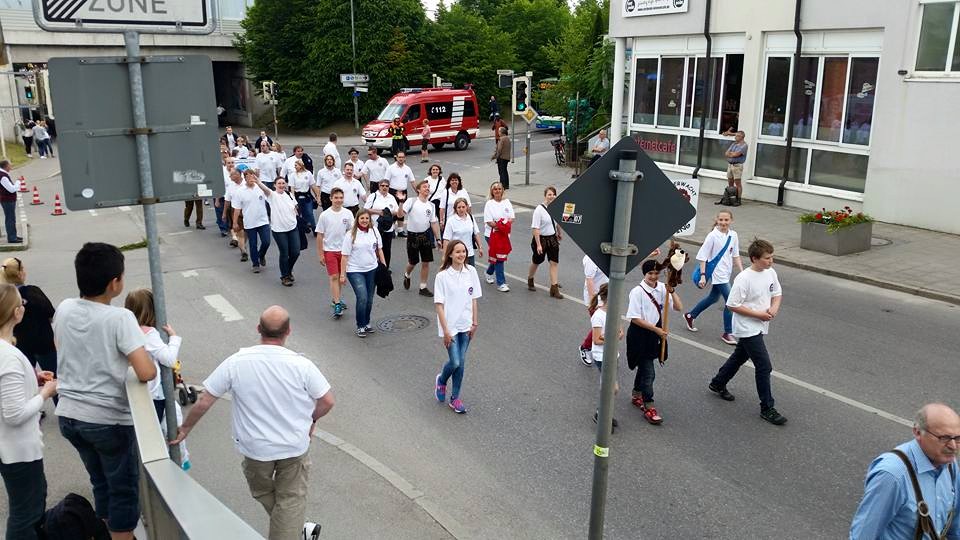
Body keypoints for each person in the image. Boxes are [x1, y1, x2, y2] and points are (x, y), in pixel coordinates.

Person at [171, 306, 334, 540]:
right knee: (289, 501)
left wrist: (185, 429)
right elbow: (327, 400)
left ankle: (295, 528)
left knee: (262, 491)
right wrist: (312, 419)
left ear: (259, 329)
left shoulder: (236, 362)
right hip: (294, 446)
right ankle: (294, 527)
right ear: (289, 331)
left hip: (255, 449)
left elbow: (204, 402)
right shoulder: (302, 365)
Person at [55, 242, 156, 540]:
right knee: (123, 489)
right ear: (115, 283)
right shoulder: (120, 318)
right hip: (107, 419)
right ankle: (122, 536)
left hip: (70, 415)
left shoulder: (65, 307)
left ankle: (106, 532)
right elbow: (146, 371)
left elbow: (61, 349)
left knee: (100, 481)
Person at [849, 403, 960, 539]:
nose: (953, 446)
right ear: (918, 432)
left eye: (958, 438)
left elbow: (955, 526)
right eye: (944, 438)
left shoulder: (950, 465)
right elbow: (863, 535)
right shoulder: (892, 475)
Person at [707, 238, 787, 426]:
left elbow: (777, 293)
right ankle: (767, 408)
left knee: (740, 356)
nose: (771, 261)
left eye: (772, 257)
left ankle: (718, 382)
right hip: (747, 326)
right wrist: (758, 314)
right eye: (767, 258)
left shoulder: (770, 273)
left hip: (759, 323)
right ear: (754, 258)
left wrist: (774, 309)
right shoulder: (743, 279)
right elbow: (732, 305)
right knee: (764, 366)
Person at [0, 283, 57, 540]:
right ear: (15, 313)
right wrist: (45, 394)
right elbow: (14, 414)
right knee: (26, 514)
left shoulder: (8, 352)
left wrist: (33, 380)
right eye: (20, 304)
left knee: (32, 502)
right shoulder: (9, 356)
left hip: (10, 448)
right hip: (17, 450)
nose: (23, 307)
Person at [625, 259, 683, 425]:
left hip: (654, 334)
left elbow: (679, 307)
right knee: (649, 371)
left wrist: (671, 291)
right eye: (650, 273)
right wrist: (656, 329)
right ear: (645, 274)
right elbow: (634, 318)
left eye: (656, 273)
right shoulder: (637, 291)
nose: (653, 276)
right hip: (640, 334)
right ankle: (648, 405)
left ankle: (637, 394)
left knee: (645, 365)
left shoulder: (662, 289)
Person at [433, 240, 481, 414]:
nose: (461, 255)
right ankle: (442, 380)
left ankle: (455, 398)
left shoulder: (472, 272)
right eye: (458, 252)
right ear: (450, 254)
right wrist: (445, 331)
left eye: (464, 251)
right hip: (450, 327)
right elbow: (439, 305)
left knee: (461, 363)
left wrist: (475, 323)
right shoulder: (442, 276)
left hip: (466, 325)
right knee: (455, 361)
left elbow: (474, 298)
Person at [684, 210, 743, 345]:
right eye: (721, 220)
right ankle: (728, 332)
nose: (723, 222)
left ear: (731, 221)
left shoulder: (733, 235)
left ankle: (690, 315)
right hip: (718, 274)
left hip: (726, 273)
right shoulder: (712, 236)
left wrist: (742, 271)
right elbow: (703, 256)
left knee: (713, 298)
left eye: (726, 220)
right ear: (717, 220)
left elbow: (736, 255)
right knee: (731, 302)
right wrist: (703, 276)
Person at [2, 258, 56, 377]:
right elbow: (51, 313)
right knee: (54, 378)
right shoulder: (33, 292)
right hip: (43, 344)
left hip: (20, 344)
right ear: (20, 273)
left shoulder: (5, 297)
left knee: (25, 379)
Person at [340, 210, 386, 338]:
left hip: (372, 269)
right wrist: (342, 275)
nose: (365, 220)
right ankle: (360, 325)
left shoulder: (374, 231)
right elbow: (344, 256)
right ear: (357, 220)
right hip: (355, 271)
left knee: (370, 299)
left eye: (367, 218)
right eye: (362, 218)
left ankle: (366, 322)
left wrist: (384, 267)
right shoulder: (350, 235)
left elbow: (379, 250)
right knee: (362, 297)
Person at [252, 176, 301, 286]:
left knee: (295, 252)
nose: (281, 185)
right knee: (284, 253)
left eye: (283, 183)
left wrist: (296, 212)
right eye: (279, 183)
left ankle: (288, 269)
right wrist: (258, 182)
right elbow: (265, 189)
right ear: (275, 185)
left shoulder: (289, 194)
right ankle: (285, 276)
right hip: (279, 230)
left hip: (292, 227)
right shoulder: (272, 195)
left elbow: (295, 207)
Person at [399, 180, 442, 297]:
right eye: (424, 187)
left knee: (426, 262)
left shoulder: (431, 205)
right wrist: (401, 202)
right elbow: (400, 215)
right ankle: (407, 274)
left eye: (428, 187)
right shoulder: (411, 201)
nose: (427, 189)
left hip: (426, 235)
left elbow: (434, 223)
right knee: (413, 262)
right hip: (413, 236)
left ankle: (423, 287)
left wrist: (438, 239)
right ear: (418, 189)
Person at [316, 188, 354, 319]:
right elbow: (320, 236)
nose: (339, 200)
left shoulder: (348, 213)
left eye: (341, 198)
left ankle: (335, 298)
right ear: (331, 198)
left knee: (341, 277)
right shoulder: (324, 215)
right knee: (334, 277)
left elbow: (351, 232)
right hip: (330, 251)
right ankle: (337, 303)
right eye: (336, 197)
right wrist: (320, 254)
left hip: (344, 251)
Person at [589, 283, 621, 431]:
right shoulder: (598, 316)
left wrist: (615, 335)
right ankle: (601, 415)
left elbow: (620, 332)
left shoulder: (614, 312)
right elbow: (596, 340)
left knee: (609, 387)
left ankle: (603, 413)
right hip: (602, 356)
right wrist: (612, 337)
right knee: (612, 388)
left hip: (614, 354)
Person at [233, 169, 272, 273]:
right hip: (250, 222)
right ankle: (255, 264)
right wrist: (235, 222)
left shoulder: (260, 188)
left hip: (263, 220)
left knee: (266, 242)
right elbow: (237, 209)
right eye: (248, 176)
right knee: (253, 244)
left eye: (252, 176)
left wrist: (259, 183)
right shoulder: (240, 191)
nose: (251, 178)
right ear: (244, 178)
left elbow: (270, 195)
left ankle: (261, 255)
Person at [527, 186, 563, 298]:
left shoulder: (557, 207)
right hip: (541, 239)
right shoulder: (539, 210)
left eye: (553, 194)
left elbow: (557, 222)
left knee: (554, 262)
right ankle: (530, 278)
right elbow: (535, 229)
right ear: (545, 196)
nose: (551, 197)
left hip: (552, 238)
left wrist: (559, 233)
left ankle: (554, 288)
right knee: (537, 261)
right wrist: (538, 245)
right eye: (549, 194)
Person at [483, 182, 514, 291]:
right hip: (491, 235)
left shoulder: (507, 202)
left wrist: (501, 225)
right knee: (499, 257)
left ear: (502, 190)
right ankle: (501, 283)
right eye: (495, 189)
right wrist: (501, 225)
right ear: (492, 191)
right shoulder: (489, 204)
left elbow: (511, 218)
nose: (497, 191)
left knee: (497, 256)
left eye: (499, 189)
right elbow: (489, 221)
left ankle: (489, 272)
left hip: (504, 234)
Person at [578, 255, 609, 366]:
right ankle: (585, 347)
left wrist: (649, 254)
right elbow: (589, 280)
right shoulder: (590, 258)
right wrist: (593, 302)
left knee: (606, 325)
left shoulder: (608, 251)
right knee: (600, 326)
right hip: (596, 298)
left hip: (608, 295)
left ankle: (602, 349)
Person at [363, 179, 399, 268]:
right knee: (375, 248)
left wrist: (387, 213)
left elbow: (397, 211)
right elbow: (366, 209)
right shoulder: (373, 196)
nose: (384, 187)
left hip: (388, 228)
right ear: (379, 186)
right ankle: (374, 266)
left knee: (387, 249)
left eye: (386, 186)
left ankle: (385, 267)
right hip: (375, 227)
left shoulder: (391, 197)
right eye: (382, 185)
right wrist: (379, 212)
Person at [441, 198, 483, 267]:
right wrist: (444, 256)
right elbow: (446, 239)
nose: (461, 209)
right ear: (455, 209)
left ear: (466, 207)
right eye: (459, 207)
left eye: (463, 207)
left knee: (470, 275)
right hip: (456, 255)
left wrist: (480, 247)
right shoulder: (451, 221)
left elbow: (476, 233)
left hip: (469, 253)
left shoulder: (470, 217)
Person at [384, 152, 414, 236]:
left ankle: (400, 230)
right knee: (393, 210)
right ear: (396, 157)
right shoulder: (391, 168)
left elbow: (412, 181)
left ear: (405, 158)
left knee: (402, 210)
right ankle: (392, 229)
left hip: (403, 192)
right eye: (399, 157)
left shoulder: (407, 168)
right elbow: (386, 181)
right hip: (393, 191)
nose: (401, 159)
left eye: (402, 157)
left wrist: (418, 191)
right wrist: (385, 192)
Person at [224, 168, 249, 261]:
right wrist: (224, 213)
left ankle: (243, 245)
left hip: (247, 210)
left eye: (232, 175)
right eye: (230, 175)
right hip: (235, 211)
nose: (230, 177)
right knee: (240, 231)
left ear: (238, 174)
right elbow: (227, 200)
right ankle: (243, 251)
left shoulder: (247, 184)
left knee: (246, 232)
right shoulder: (230, 186)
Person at [289, 159, 319, 235]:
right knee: (299, 214)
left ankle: (314, 228)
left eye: (296, 165)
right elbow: (291, 189)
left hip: (306, 196)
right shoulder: (293, 175)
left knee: (309, 213)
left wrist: (318, 196)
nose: (295, 167)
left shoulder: (308, 174)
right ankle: (303, 228)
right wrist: (293, 200)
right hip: (298, 197)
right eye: (294, 165)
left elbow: (313, 186)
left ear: (301, 165)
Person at [723, 129, 747, 206]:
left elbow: (736, 155)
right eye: (735, 135)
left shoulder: (744, 146)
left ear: (742, 137)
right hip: (730, 165)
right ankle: (730, 198)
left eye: (737, 136)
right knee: (730, 182)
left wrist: (731, 154)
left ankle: (738, 199)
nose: (735, 137)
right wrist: (731, 154)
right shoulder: (733, 144)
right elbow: (726, 153)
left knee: (738, 183)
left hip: (737, 166)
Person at [0, 161, 21, 244]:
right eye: (10, 165)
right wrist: (18, 182)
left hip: (7, 200)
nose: (11, 166)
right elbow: (11, 189)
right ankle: (12, 238)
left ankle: (13, 235)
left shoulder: (3, 174)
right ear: (6, 166)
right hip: (7, 200)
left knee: (11, 218)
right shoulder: (3, 176)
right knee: (10, 219)